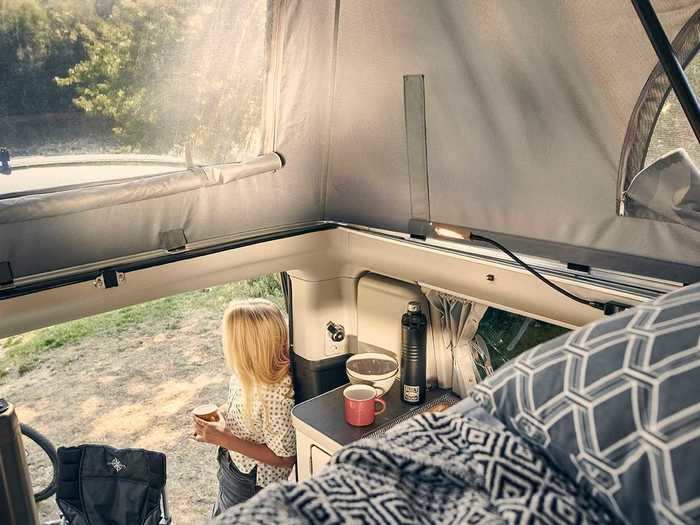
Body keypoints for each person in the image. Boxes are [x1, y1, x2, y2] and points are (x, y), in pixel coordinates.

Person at [193, 298, 296, 515]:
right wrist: (217, 415)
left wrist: (222, 438)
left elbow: (285, 459)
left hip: (252, 482)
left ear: (245, 347)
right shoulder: (246, 372)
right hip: (232, 463)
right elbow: (239, 405)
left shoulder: (276, 394)